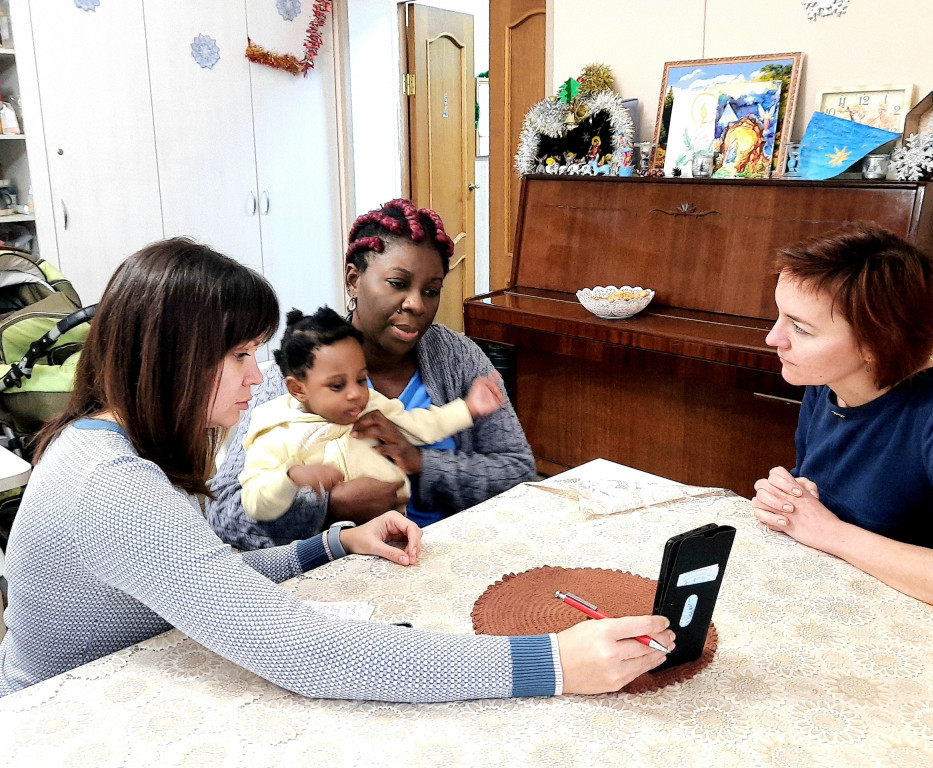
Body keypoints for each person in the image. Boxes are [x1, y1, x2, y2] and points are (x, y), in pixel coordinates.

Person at [0, 238, 674, 700]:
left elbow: (197, 576)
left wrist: (332, 543)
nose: (254, 376)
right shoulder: (112, 488)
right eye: (239, 356)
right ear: (174, 359)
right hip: (56, 723)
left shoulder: (104, 447)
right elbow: (304, 652)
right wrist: (554, 663)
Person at [208, 199, 536, 549]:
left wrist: (421, 463)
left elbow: (518, 471)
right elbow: (224, 516)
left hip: (451, 556)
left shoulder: (458, 358)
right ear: (353, 280)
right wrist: (328, 508)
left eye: (431, 290)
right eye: (398, 283)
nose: (417, 304)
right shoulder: (294, 377)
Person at [752, 224, 933, 634]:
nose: (774, 338)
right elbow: (834, 491)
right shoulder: (828, 381)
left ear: (875, 343)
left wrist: (829, 532)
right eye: (780, 317)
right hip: (840, 603)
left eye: (800, 328)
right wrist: (790, 498)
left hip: (918, 631)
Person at [240, 306, 504, 521]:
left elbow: (420, 425)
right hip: (334, 549)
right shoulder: (276, 432)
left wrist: (468, 408)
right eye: (337, 385)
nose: (355, 393)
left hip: (399, 525)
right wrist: (291, 477)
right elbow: (255, 503)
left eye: (361, 379)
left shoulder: (371, 407)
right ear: (298, 389)